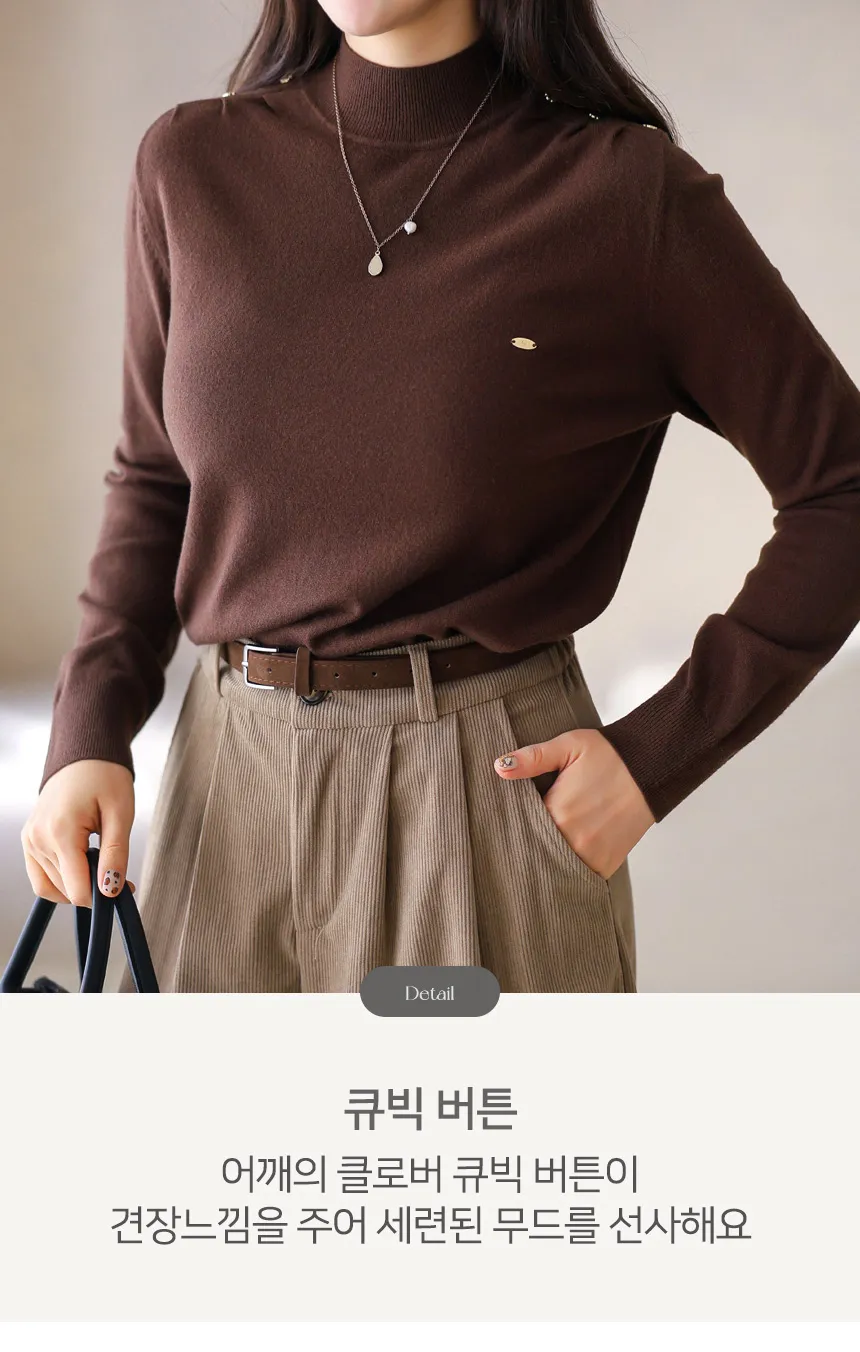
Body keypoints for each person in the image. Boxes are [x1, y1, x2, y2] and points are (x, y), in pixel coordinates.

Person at [20, 0, 860, 994]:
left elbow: (841, 490)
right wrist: (88, 732)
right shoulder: (192, 164)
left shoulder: (620, 195)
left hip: (479, 800)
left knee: (459, 1106)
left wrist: (656, 757)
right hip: (223, 795)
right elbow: (157, 476)